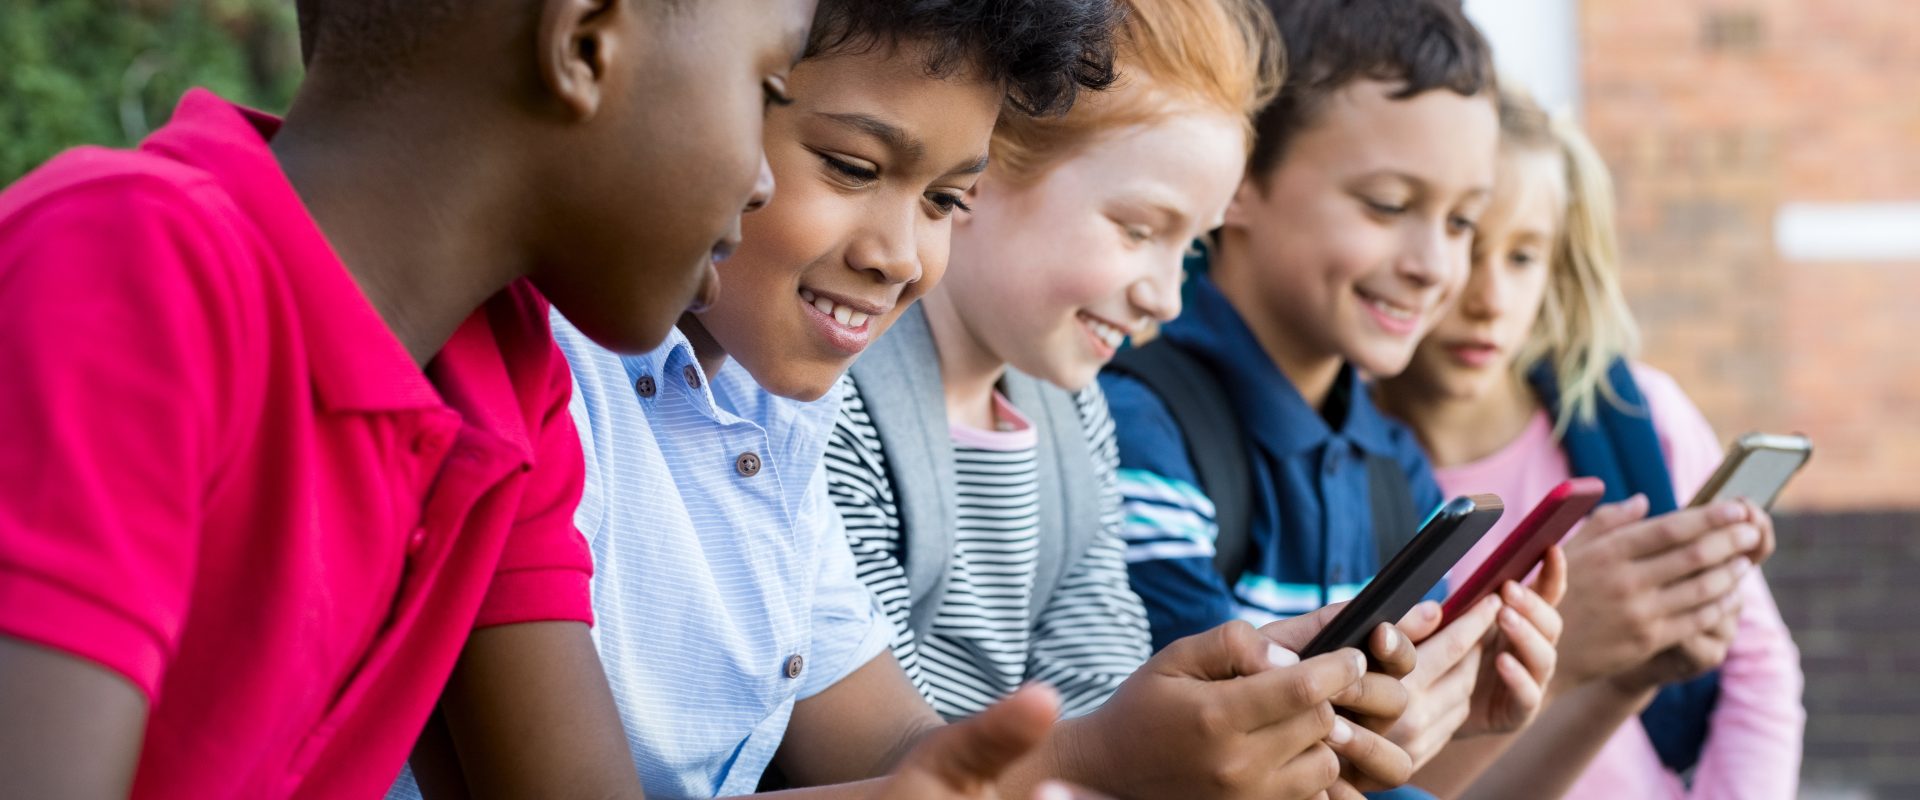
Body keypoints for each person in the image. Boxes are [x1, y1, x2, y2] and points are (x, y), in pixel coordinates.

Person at [0, 0, 813, 795]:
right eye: (767, 90)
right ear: (585, 45)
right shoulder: (127, 268)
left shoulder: (504, 380)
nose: (763, 182)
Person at [397, 1, 1131, 797]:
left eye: (945, 202)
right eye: (852, 168)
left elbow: (885, 740)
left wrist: (1127, 751)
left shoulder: (769, 402)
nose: (900, 258)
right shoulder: (529, 375)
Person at [826, 0, 1425, 796]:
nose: (1169, 298)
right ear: (980, 167)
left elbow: (1098, 692)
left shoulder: (1076, 417)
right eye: (1140, 229)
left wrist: (1225, 729)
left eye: (1193, 245)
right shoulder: (837, 399)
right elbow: (867, 751)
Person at [1098, 0, 1567, 793]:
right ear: (1237, 179)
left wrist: (1465, 716)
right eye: (1388, 205)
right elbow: (1228, 759)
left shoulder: (1397, 466)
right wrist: (1373, 729)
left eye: (1461, 221)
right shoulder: (1140, 428)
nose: (1432, 265)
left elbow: (1369, 774)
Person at [1375, 85, 1803, 800]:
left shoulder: (1640, 420)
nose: (1489, 298)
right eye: (1468, 243)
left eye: (1523, 257)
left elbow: (1756, 672)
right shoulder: (1343, 467)